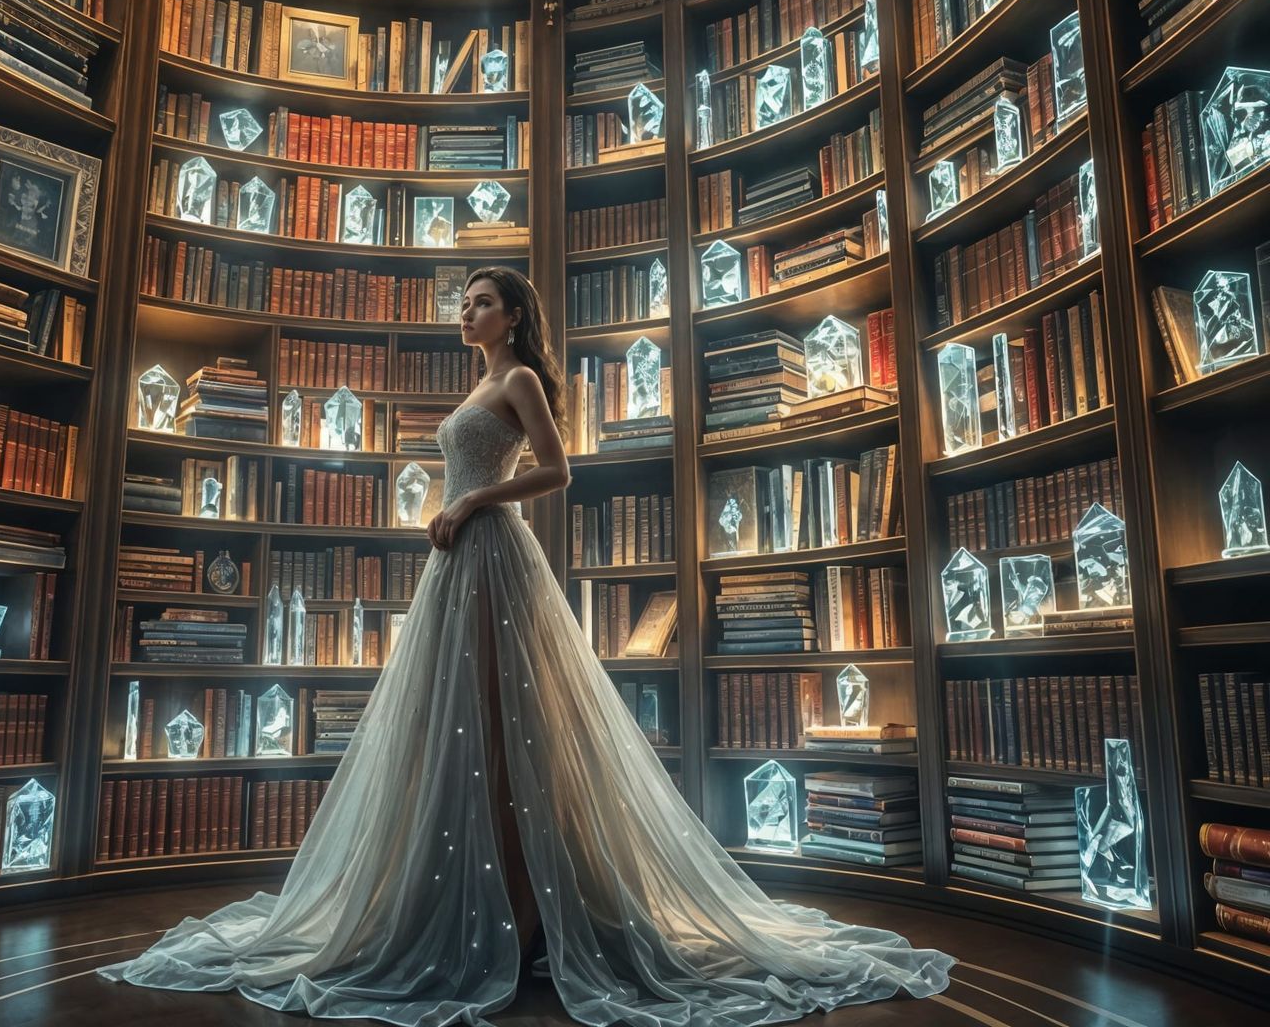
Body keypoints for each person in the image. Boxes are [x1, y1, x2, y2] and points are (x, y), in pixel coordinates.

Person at [98, 266, 954, 1024]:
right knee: (455, 727)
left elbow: (559, 471)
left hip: (493, 553)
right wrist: (458, 509)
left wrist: (472, 503)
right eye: (463, 303)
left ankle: (518, 908)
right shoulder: (479, 384)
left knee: (503, 731)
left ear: (511, 316)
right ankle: (465, 901)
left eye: (480, 303)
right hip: (459, 563)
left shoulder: (520, 383)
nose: (464, 314)